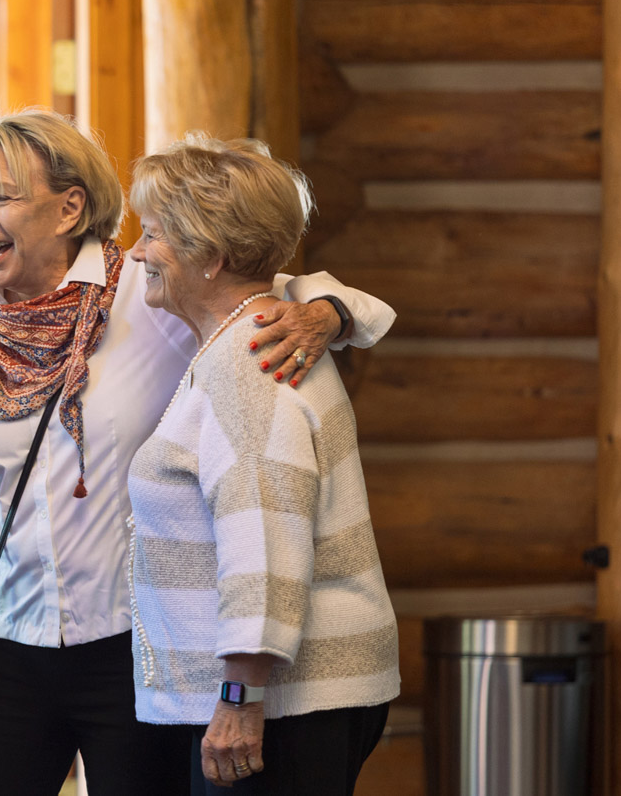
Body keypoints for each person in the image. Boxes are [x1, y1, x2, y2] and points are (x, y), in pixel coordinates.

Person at [0, 110, 393, 796]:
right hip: (7, 654)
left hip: (135, 653)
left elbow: (265, 295)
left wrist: (328, 314)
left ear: (69, 207)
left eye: (0, 196)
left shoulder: (151, 295)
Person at [124, 135, 398, 794]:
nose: (136, 251)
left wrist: (240, 698)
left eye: (154, 234)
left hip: (283, 706)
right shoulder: (263, 324)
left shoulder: (251, 362)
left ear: (211, 259)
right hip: (298, 699)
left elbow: (263, 543)